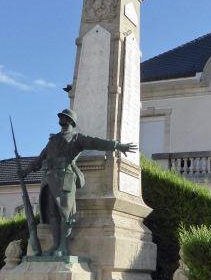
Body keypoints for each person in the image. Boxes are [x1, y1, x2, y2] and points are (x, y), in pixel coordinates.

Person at [18, 108, 136, 256]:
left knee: (66, 214)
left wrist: (116, 145)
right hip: (48, 179)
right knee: (52, 213)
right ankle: (55, 245)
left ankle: (63, 247)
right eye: (61, 116)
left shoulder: (76, 138)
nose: (60, 118)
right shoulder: (53, 140)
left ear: (70, 121)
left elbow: (96, 143)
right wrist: (26, 171)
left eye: (64, 116)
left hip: (65, 178)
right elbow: (40, 158)